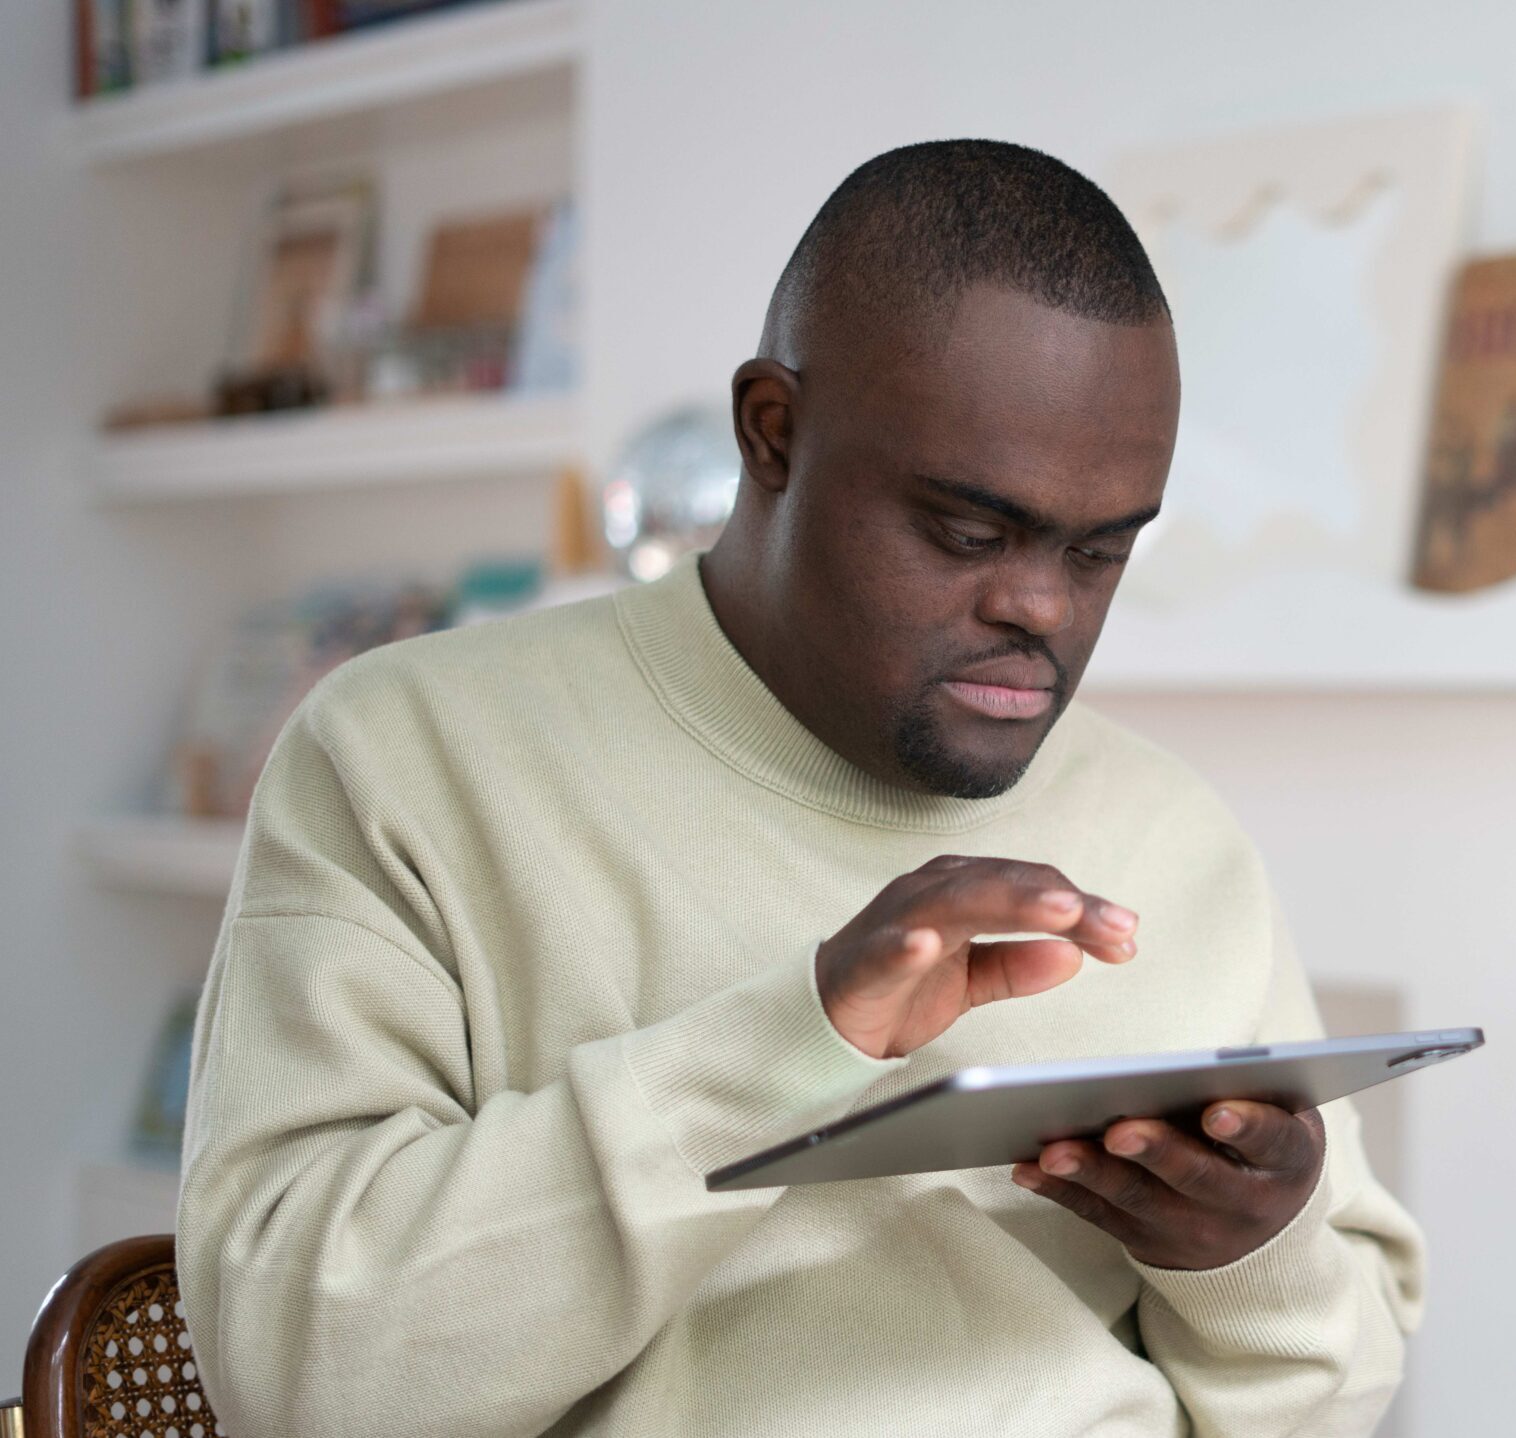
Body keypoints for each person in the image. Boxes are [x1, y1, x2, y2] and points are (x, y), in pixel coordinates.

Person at [176, 140, 1423, 1438]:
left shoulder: (1173, 837)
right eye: (967, 531)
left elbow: (1332, 1395)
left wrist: (1250, 1256)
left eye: (1101, 550)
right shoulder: (406, 755)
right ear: (771, 432)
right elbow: (294, 1371)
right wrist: (801, 1034)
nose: (1041, 604)